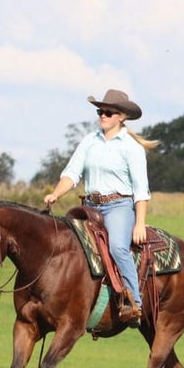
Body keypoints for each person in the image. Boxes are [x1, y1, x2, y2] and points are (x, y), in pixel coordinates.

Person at [44, 89, 159, 327]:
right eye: (100, 111)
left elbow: (141, 190)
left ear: (121, 117)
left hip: (118, 206)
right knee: (65, 245)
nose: (102, 116)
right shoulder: (90, 141)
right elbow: (72, 173)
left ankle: (133, 302)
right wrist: (56, 193)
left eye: (108, 112)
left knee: (118, 247)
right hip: (89, 208)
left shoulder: (131, 147)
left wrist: (139, 222)